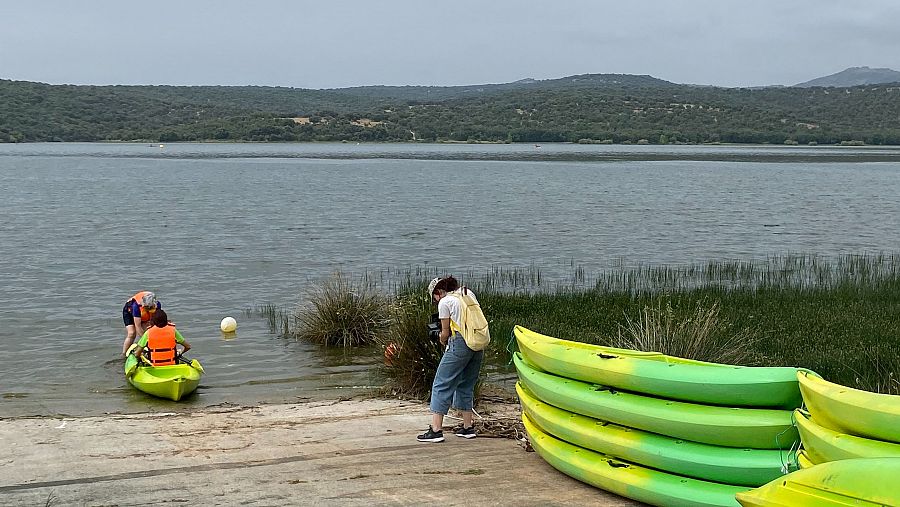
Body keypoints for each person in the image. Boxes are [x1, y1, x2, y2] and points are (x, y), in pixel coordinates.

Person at [417, 276, 484, 443]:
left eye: (434, 297)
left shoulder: (445, 302)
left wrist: (440, 338)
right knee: (466, 383)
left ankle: (436, 430)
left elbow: (445, 333)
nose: (435, 301)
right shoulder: (468, 294)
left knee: (441, 382)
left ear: (438, 292)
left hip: (459, 343)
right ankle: (468, 428)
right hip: (477, 342)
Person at [122, 291, 161, 355]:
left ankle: (150, 350)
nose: (147, 309)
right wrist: (145, 340)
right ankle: (124, 354)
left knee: (148, 330)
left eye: (149, 307)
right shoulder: (136, 306)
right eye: (146, 307)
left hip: (144, 315)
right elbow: (138, 326)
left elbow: (156, 322)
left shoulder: (157, 305)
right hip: (129, 312)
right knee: (132, 333)